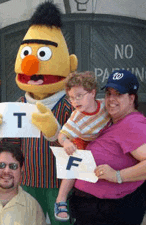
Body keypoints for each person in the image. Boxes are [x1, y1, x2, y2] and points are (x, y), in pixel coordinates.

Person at [0, 2, 77, 225]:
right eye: (26, 54)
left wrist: (54, 133)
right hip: (27, 181)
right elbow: (12, 146)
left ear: (69, 63)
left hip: (58, 183)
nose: (30, 64)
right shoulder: (19, 104)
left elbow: (80, 143)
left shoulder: (68, 105)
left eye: (42, 55)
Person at [68, 69, 146, 225]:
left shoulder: (132, 125)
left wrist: (117, 175)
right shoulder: (115, 121)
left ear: (131, 98)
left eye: (118, 94)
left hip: (109, 213)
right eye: (109, 93)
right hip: (95, 212)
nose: (111, 99)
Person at [54, 71, 110, 222]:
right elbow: (62, 134)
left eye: (79, 95)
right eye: (71, 97)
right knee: (72, 166)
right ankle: (61, 199)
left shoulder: (105, 106)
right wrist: (66, 143)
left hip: (104, 139)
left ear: (92, 93)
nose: (75, 101)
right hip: (83, 142)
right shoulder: (76, 118)